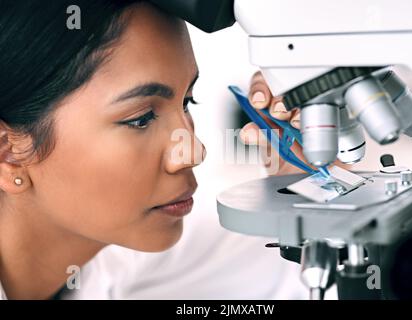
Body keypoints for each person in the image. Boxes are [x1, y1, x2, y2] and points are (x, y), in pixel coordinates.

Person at [0, 1, 305, 300]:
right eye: (141, 119)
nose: (193, 152)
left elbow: (301, 273)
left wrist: (301, 187)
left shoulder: (128, 267)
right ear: (8, 154)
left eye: (187, 102)